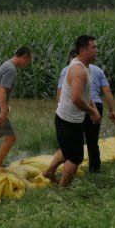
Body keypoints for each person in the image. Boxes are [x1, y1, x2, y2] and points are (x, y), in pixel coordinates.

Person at [43, 35, 101, 187]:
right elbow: (76, 99)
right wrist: (92, 112)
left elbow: (85, 95)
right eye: (93, 47)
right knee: (75, 158)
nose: (96, 50)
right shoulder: (78, 70)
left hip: (73, 120)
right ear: (82, 50)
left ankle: (49, 172)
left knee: (67, 149)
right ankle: (63, 189)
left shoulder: (86, 67)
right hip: (67, 121)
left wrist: (94, 109)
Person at [57, 49, 115, 173]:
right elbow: (107, 91)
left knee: (72, 142)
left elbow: (61, 92)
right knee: (92, 140)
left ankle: (68, 169)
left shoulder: (67, 70)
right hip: (96, 105)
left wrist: (60, 109)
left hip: (78, 107)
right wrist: (112, 111)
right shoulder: (98, 70)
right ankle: (94, 169)